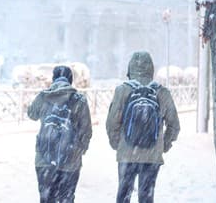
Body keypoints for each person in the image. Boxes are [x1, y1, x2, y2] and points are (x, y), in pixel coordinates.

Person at [106, 51, 180, 203]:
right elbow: (174, 125)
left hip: (127, 154)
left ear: (130, 68)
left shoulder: (122, 90)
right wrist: (163, 146)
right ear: (151, 69)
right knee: (146, 196)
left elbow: (112, 123)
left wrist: (118, 144)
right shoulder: (161, 92)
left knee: (123, 195)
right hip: (152, 155)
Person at [27, 65, 92, 203]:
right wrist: (79, 151)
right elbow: (86, 131)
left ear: (53, 79)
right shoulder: (79, 100)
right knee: (66, 198)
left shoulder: (44, 96)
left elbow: (32, 114)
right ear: (70, 80)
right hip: (70, 161)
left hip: (44, 159)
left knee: (46, 198)